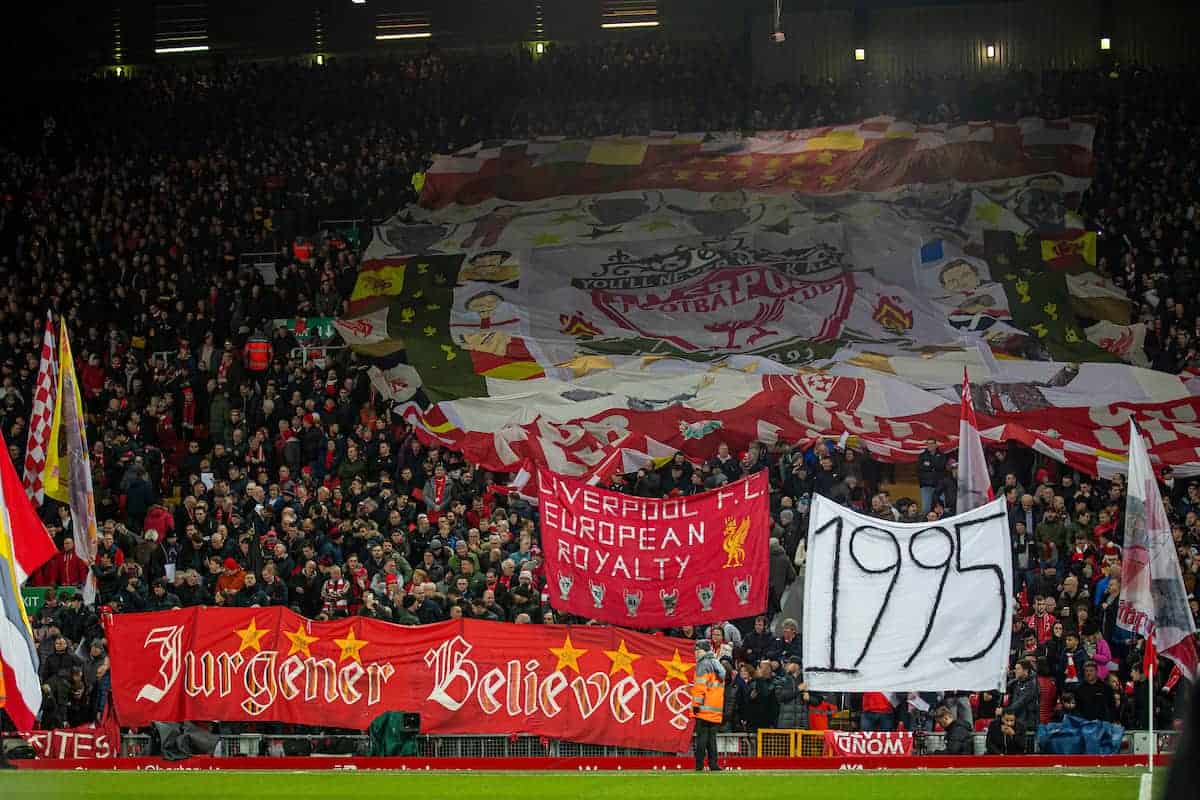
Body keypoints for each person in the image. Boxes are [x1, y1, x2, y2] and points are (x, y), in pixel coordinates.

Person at [690, 640, 725, 772]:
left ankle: (699, 765)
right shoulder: (717, 664)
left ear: (704, 651)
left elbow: (700, 686)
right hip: (715, 708)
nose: (696, 653)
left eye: (698, 650)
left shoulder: (702, 664)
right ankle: (713, 764)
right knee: (712, 739)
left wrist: (696, 704)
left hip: (703, 708)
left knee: (702, 739)